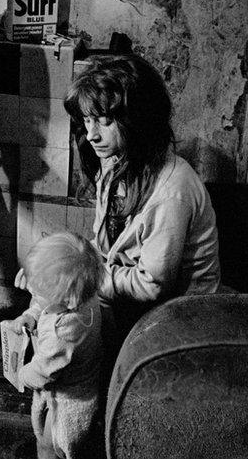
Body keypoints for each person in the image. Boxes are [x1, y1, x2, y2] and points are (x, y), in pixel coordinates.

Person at [63, 54, 221, 344]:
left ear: (138, 120)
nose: (91, 134)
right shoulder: (113, 162)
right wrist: (70, 267)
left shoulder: (172, 189)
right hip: (129, 298)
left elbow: (152, 286)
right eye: (87, 120)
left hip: (180, 316)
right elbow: (104, 247)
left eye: (104, 121)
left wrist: (93, 279)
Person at [6, 232, 104, 459]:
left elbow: (42, 373)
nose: (34, 294)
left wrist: (20, 374)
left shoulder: (64, 333)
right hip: (81, 380)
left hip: (68, 400)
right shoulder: (84, 294)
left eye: (38, 292)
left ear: (68, 300)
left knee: (51, 445)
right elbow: (45, 304)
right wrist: (30, 315)